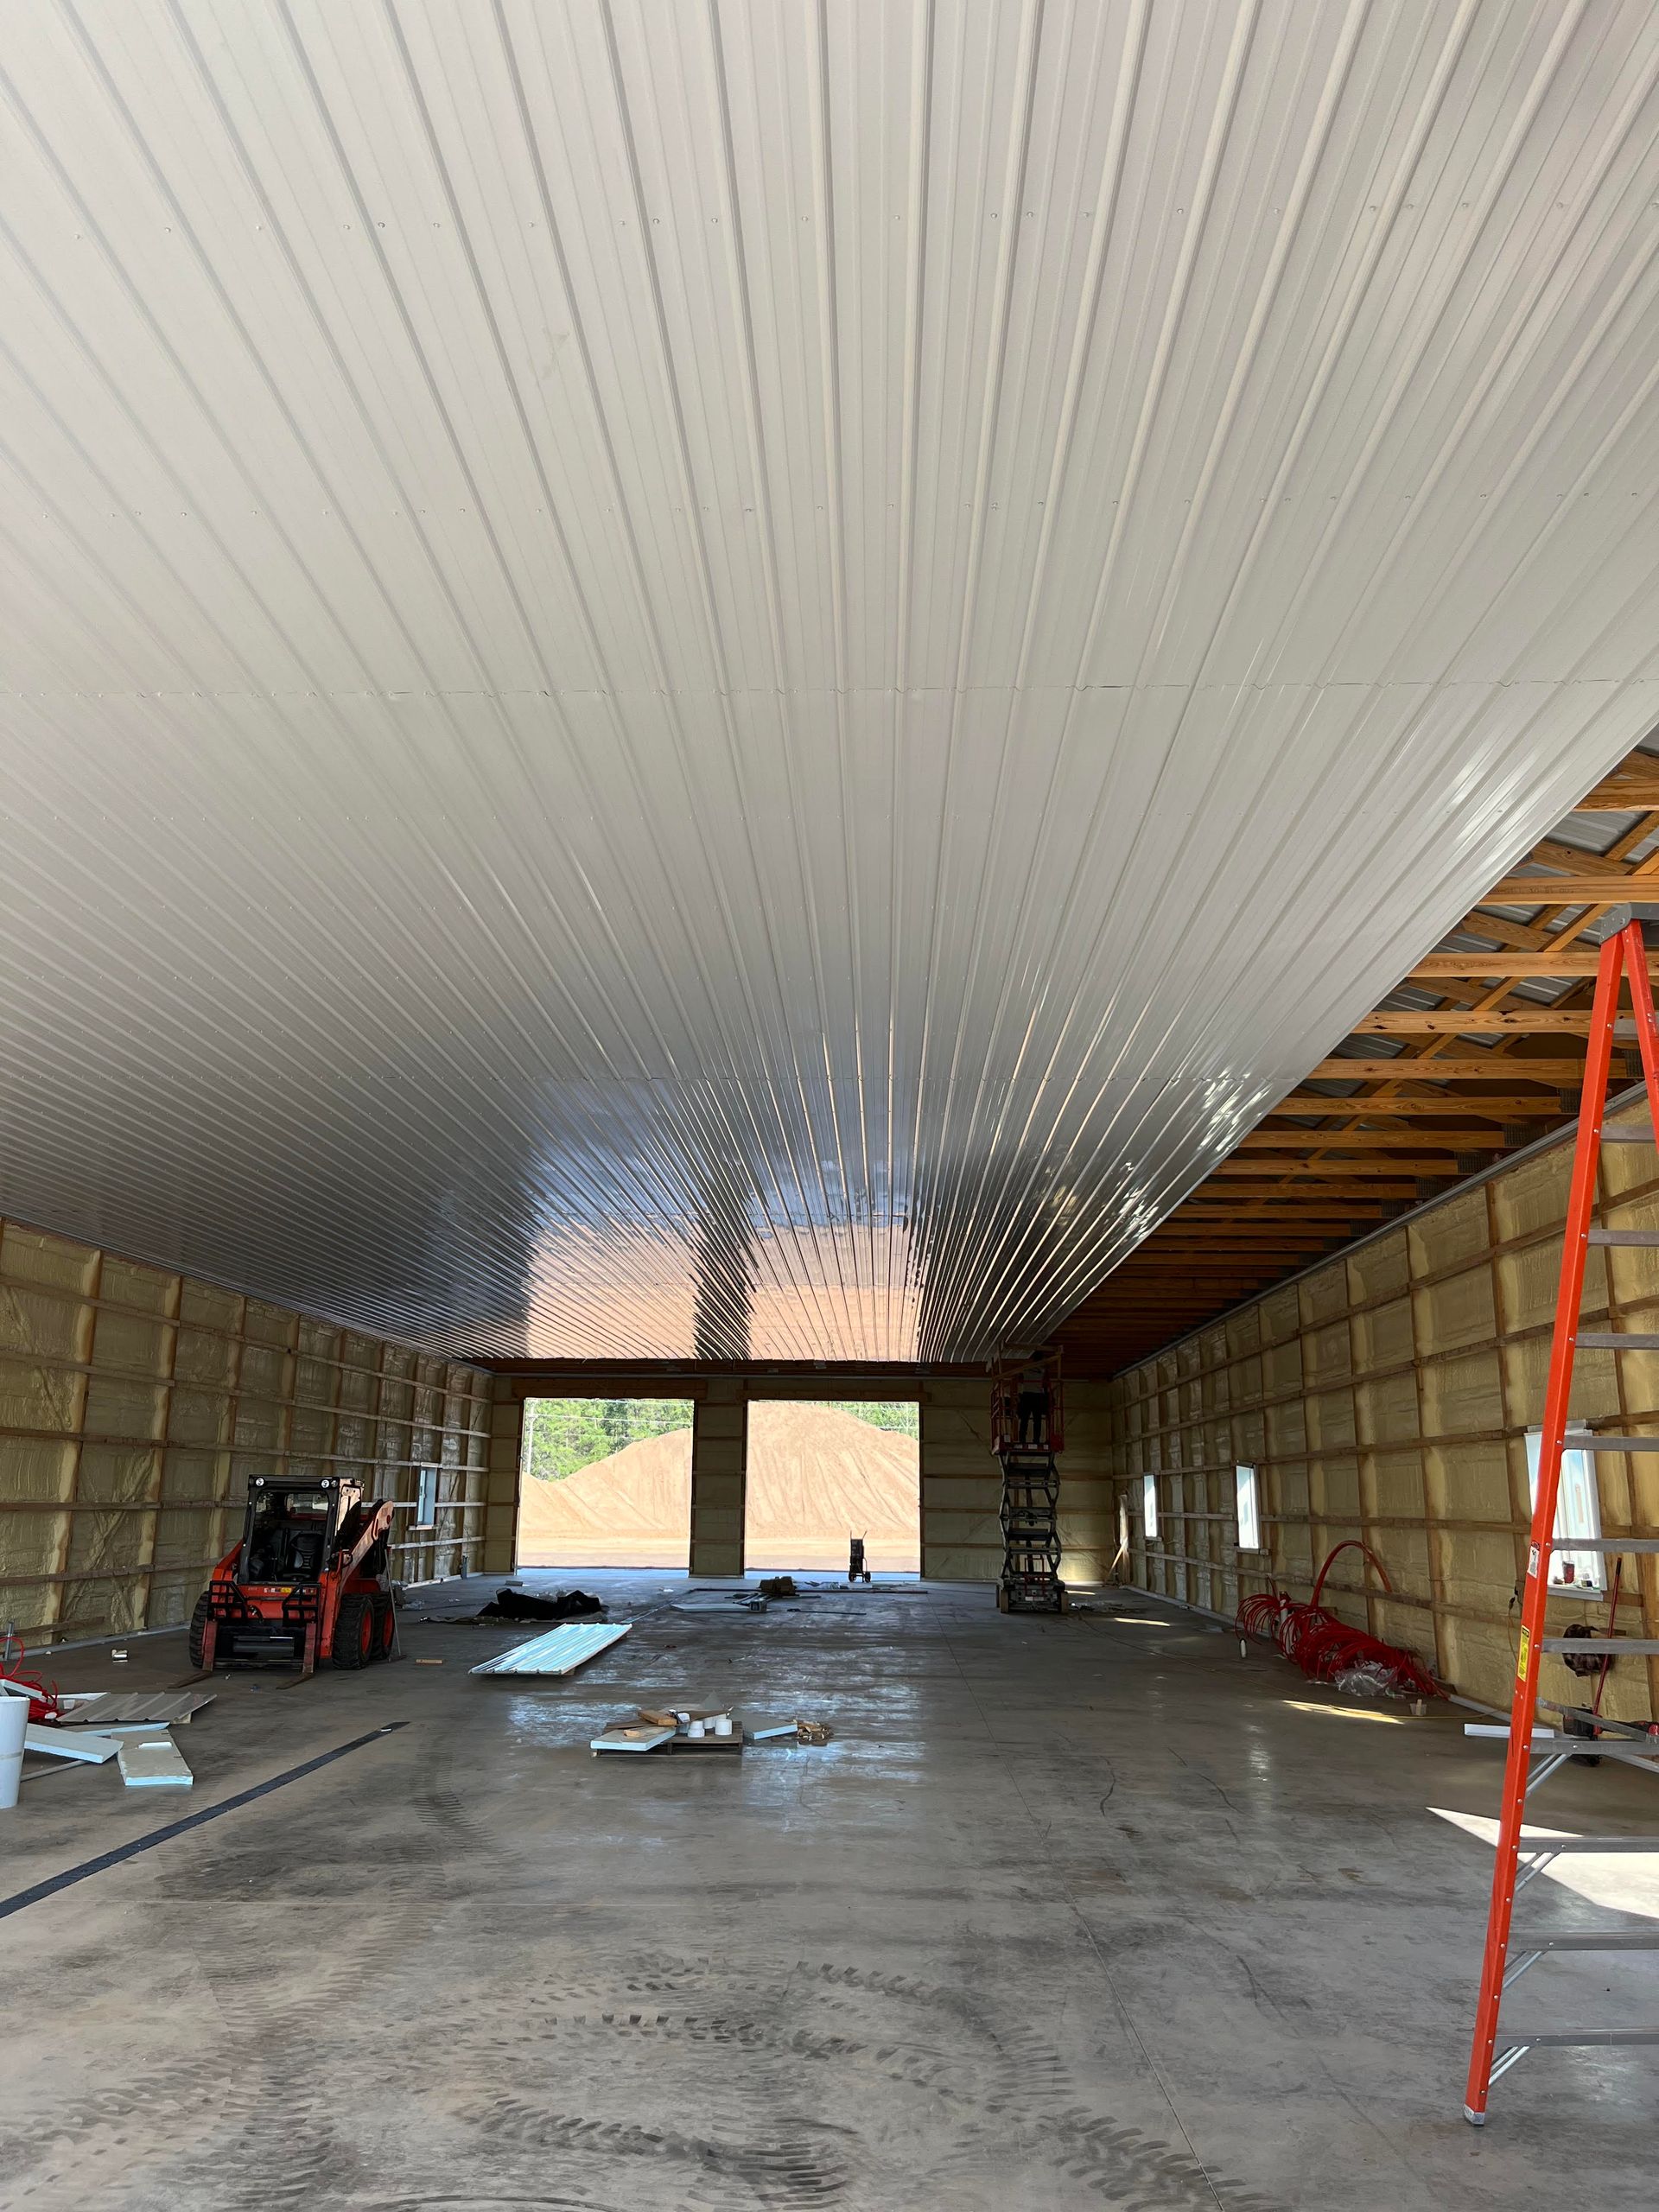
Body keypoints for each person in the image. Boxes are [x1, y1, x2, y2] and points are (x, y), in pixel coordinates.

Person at [1015, 1358, 1049, 1449]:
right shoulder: (1042, 1369)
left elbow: (1019, 1377)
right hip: (1037, 1396)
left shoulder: (1026, 1368)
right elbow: (1045, 1383)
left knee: (1024, 1419)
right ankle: (1036, 1440)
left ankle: (1022, 1440)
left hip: (1027, 1395)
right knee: (1037, 1420)